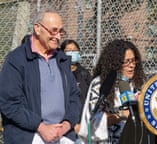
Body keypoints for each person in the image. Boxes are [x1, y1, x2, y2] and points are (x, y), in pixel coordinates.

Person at [0, 7, 81, 144]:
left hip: (63, 135)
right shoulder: (17, 60)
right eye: (54, 30)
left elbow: (74, 96)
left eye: (61, 31)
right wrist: (41, 127)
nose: (58, 36)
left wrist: (66, 124)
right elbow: (9, 103)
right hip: (28, 136)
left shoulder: (62, 59)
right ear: (37, 29)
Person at [78, 39, 149, 144]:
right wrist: (120, 115)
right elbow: (92, 122)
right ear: (115, 63)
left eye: (134, 60)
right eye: (127, 61)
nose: (132, 65)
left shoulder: (139, 84)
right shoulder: (100, 84)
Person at [60, 39, 92, 134]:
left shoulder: (84, 73)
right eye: (68, 51)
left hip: (83, 122)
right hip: (64, 123)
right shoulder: (59, 73)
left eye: (74, 50)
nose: (72, 53)